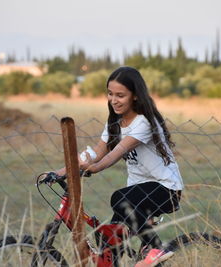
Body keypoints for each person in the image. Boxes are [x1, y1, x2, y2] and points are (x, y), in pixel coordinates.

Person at [54, 66, 184, 267]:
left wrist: (93, 169)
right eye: (110, 94)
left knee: (119, 198)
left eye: (120, 95)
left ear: (135, 96)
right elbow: (98, 150)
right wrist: (61, 172)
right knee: (108, 242)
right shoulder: (116, 122)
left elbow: (117, 152)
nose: (114, 100)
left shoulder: (143, 123)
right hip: (138, 193)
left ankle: (155, 248)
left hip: (165, 190)